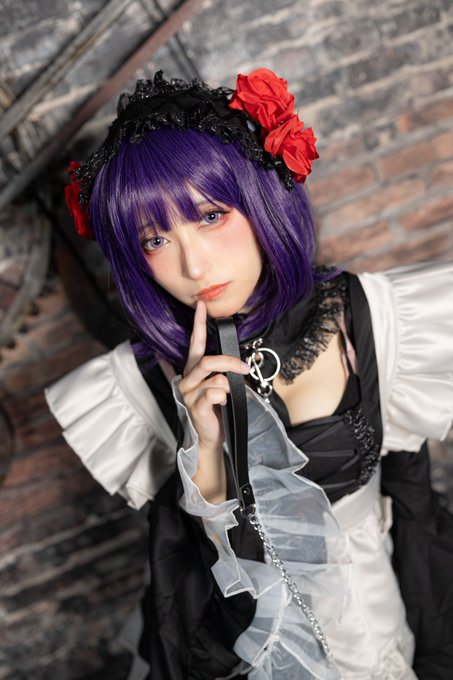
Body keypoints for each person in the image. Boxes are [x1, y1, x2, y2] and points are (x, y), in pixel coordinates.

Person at [45, 69, 453, 679]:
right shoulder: (137, 386)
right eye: (155, 240)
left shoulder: (371, 317)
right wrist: (204, 446)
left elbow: (416, 500)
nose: (193, 264)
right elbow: (193, 573)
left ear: (262, 197)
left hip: (380, 626)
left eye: (210, 216)